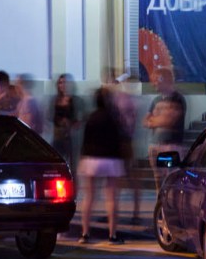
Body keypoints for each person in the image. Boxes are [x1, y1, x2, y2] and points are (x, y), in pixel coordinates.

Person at [78, 87, 127, 244]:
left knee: (89, 197)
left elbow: (85, 140)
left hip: (91, 159)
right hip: (111, 160)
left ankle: (85, 233)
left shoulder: (91, 117)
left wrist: (82, 157)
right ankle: (112, 235)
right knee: (111, 198)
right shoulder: (114, 118)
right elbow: (119, 140)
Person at [145, 67, 187, 191]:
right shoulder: (155, 100)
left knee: (171, 179)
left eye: (156, 80)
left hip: (171, 146)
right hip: (155, 145)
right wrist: (162, 119)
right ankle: (160, 201)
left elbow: (169, 121)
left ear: (164, 79)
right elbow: (146, 121)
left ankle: (171, 202)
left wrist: (156, 120)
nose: (153, 84)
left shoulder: (178, 99)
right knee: (158, 180)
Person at [108, 70, 142, 223]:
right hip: (117, 140)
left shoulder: (127, 100)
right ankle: (113, 211)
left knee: (130, 176)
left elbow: (129, 122)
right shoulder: (118, 99)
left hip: (125, 140)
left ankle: (135, 212)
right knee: (115, 178)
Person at [50, 73, 81, 166]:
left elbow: (80, 118)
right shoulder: (55, 100)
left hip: (71, 137)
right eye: (60, 83)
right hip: (57, 135)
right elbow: (49, 116)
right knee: (56, 162)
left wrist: (71, 124)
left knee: (72, 163)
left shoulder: (76, 100)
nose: (63, 85)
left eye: (65, 82)